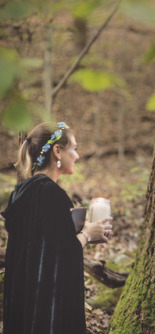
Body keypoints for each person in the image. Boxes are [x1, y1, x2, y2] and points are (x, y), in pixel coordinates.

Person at [1, 122, 112, 334]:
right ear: (57, 151)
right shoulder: (52, 194)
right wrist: (88, 235)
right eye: (74, 148)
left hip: (24, 308)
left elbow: (44, 244)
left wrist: (84, 229)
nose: (78, 156)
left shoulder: (21, 193)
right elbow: (63, 253)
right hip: (46, 314)